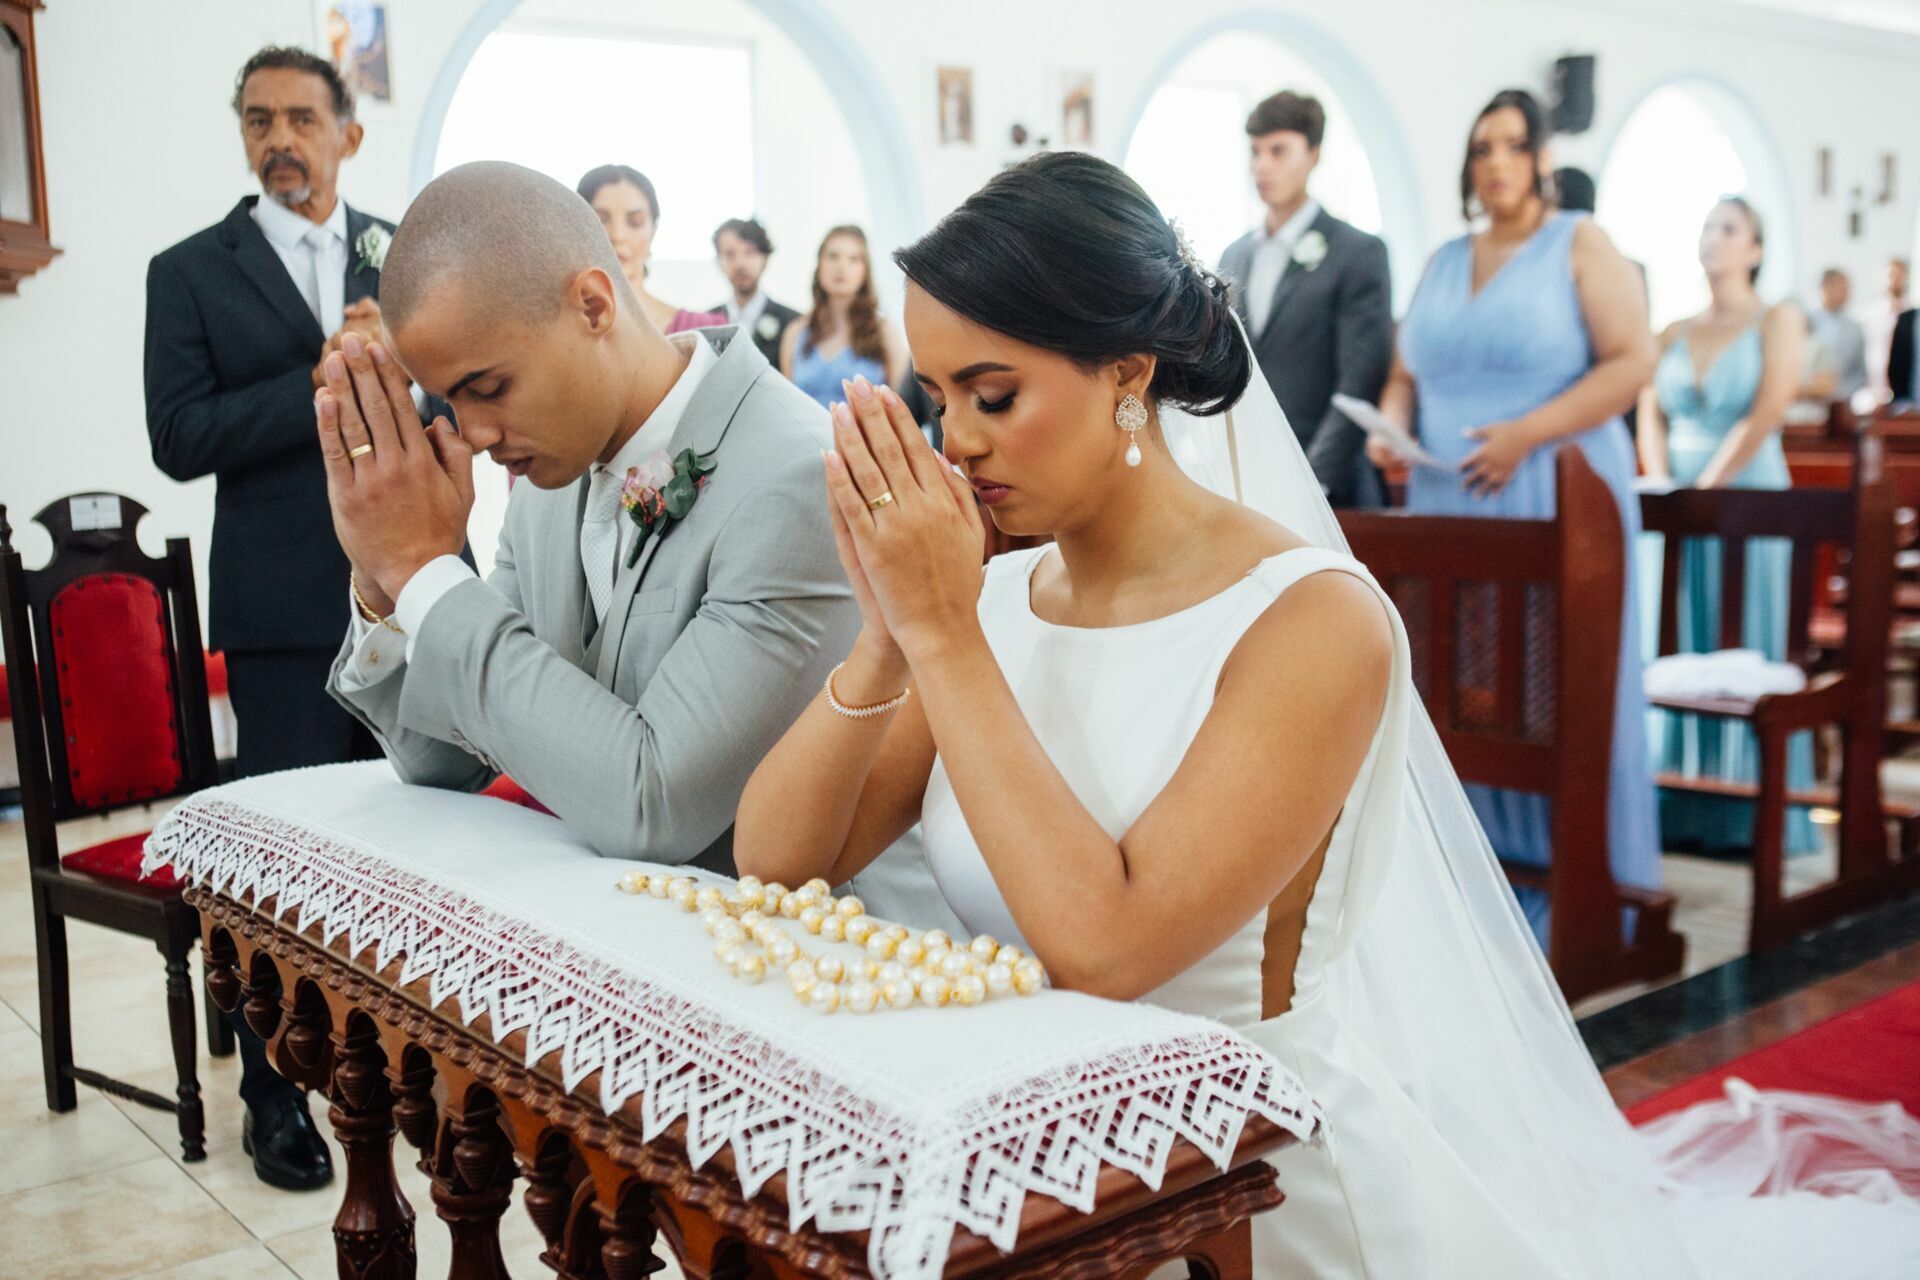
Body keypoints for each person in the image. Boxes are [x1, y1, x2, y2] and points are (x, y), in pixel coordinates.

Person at [735, 150, 1920, 1278]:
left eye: (994, 393)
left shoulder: (1309, 623)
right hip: (1048, 1167)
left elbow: (1107, 945)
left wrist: (945, 634)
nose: (958, 441)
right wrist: (894, 634)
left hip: (1252, 1187)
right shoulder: (990, 598)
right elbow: (780, 859)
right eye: (937, 395)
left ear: (1129, 374)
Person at [315, 161, 950, 927]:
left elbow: (653, 805)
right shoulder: (546, 483)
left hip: (828, 960)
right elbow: (442, 756)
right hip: (633, 936)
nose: (474, 435)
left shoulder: (793, 475)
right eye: (449, 399)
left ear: (592, 304)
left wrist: (428, 573)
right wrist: (386, 586)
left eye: (488, 387)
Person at [143, 43, 413, 1194]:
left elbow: (452, 394)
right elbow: (180, 434)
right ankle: (272, 1095)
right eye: (259, 120)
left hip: (403, 589)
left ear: (347, 132)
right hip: (276, 606)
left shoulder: (400, 255)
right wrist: (314, 366)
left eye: (302, 117)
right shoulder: (191, 269)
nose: (279, 140)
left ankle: (392, 1065)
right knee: (284, 859)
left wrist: (399, 360)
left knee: (405, 845)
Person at [1371, 88, 1660, 940]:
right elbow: (1406, 373)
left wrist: (1526, 434)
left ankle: (1580, 884)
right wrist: (1391, 428)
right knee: (1462, 688)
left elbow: (1633, 360)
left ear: (1540, 159)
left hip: (1551, 488)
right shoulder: (1442, 259)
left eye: (1511, 145)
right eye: (1480, 147)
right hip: (1445, 497)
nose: (1494, 161)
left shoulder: (1580, 245)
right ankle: (1475, 876)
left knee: (1549, 684)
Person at [1638, 198, 1817, 855]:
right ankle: (1679, 801)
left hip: (1748, 492)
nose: (1713, 239)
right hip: (1676, 503)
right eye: (1707, 227)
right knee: (1678, 634)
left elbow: (1769, 407)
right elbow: (1648, 406)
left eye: (1730, 230)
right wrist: (1663, 485)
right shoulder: (1673, 328)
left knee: (1744, 634)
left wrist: (1707, 487)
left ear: (1757, 250)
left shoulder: (1779, 319)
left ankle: (1751, 814)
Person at [1218, 91, 1392, 508]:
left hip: (1329, 489)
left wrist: (1311, 484)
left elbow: (1359, 382)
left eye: (1278, 151)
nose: (1262, 165)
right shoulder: (1233, 255)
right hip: (1248, 481)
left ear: (1313, 153)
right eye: (1256, 151)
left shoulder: (1357, 252)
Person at [578, 163, 722, 336]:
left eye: (635, 222)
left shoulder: (703, 332)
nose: (618, 235)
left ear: (653, 232)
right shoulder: (551, 330)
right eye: (600, 220)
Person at [780, 225, 908, 407]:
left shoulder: (885, 333)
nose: (841, 267)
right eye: (833, 256)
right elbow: (787, 406)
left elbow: (902, 406)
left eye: (853, 259)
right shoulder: (795, 332)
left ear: (865, 270)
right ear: (819, 264)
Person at [710, 217, 799, 365]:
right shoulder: (705, 323)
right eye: (730, 254)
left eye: (749, 253)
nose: (740, 264)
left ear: (764, 257)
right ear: (719, 261)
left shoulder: (793, 322)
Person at [1799, 267, 1869, 412]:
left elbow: (1860, 372)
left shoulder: (1855, 328)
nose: (1848, 294)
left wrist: (1841, 393)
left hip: (1843, 405)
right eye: (1843, 288)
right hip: (1808, 405)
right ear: (1826, 287)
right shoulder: (1804, 322)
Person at [1865, 256, 1909, 404]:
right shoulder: (1868, 316)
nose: (1895, 279)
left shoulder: (1913, 315)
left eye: (1900, 274)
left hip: (1907, 392)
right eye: (1891, 274)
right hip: (1874, 390)